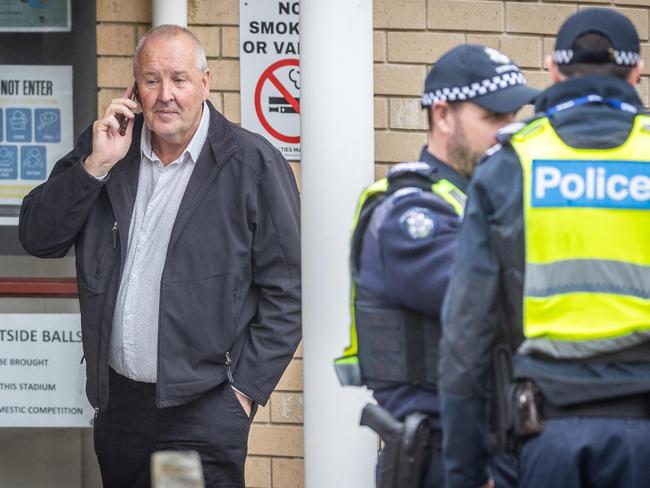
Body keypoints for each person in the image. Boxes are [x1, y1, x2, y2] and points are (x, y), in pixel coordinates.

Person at [19, 25, 301, 488]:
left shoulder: (251, 165)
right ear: (134, 90)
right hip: (121, 409)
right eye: (151, 80)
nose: (165, 94)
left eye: (179, 79)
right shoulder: (109, 152)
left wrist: (243, 392)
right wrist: (95, 166)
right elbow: (38, 236)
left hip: (199, 411)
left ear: (205, 84)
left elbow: (288, 291)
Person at [439, 8, 650, 488]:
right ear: (636, 73)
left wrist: (465, 473)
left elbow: (465, 337)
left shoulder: (512, 164)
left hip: (546, 436)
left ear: (554, 71)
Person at [334, 44, 538, 487]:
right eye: (493, 118)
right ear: (443, 115)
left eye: (514, 118)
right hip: (442, 455)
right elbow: (502, 301)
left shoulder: (483, 200)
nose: (509, 132)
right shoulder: (409, 216)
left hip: (495, 443)